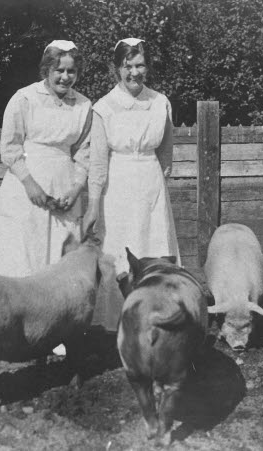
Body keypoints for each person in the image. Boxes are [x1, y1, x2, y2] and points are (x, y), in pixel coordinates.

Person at [83, 38, 181, 329]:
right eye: (128, 66)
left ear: (148, 67)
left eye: (140, 65)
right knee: (121, 256)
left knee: (155, 247)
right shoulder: (104, 108)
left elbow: (166, 152)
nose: (134, 73)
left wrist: (157, 185)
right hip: (118, 189)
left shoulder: (160, 102)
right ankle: (118, 323)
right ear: (117, 68)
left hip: (151, 186)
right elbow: (97, 163)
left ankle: (160, 317)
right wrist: (93, 205)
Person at [0, 40, 92, 278]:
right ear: (47, 69)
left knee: (59, 263)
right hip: (25, 189)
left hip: (64, 190)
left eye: (71, 71)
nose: (65, 77)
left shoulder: (84, 105)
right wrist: (30, 184)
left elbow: (84, 151)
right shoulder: (24, 98)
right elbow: (10, 147)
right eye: (59, 70)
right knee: (23, 259)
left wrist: (76, 188)